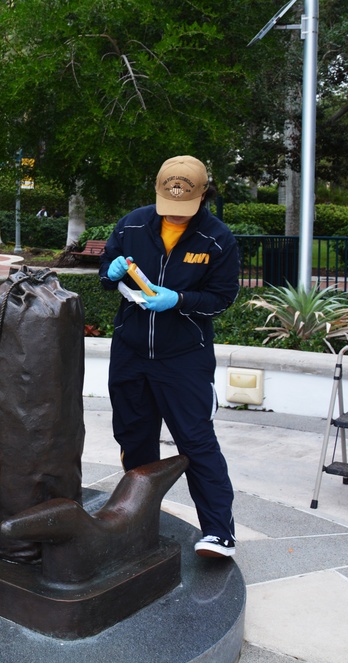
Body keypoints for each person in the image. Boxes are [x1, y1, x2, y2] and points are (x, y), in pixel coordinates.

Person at [98, 155, 240, 559]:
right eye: (168, 205)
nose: (175, 215)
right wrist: (111, 274)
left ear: (202, 194)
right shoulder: (133, 223)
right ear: (158, 191)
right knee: (134, 440)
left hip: (183, 359)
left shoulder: (217, 239)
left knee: (196, 443)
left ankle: (218, 533)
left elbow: (222, 298)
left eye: (184, 206)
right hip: (130, 352)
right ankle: (139, 523)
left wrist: (178, 300)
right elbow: (108, 264)